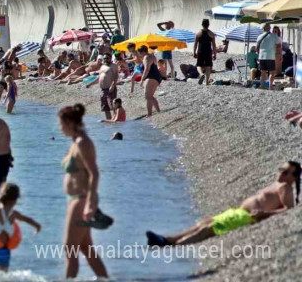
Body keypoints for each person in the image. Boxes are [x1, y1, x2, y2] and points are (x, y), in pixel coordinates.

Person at [147, 161, 300, 247]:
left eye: (286, 172)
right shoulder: (277, 184)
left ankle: (175, 246)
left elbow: (289, 208)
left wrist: (264, 214)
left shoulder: (286, 188)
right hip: (238, 213)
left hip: (246, 217)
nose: (281, 173)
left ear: (293, 177)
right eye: (281, 169)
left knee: (209, 229)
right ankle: (168, 240)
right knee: (203, 222)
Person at [58, 104, 109, 279]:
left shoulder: (83, 142)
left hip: (82, 199)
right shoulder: (75, 142)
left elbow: (94, 173)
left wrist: (90, 203)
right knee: (86, 248)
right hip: (75, 199)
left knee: (69, 249)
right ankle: (105, 279)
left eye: (61, 123)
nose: (60, 127)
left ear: (70, 123)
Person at [87, 54, 118, 121]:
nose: (105, 59)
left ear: (110, 58)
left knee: (113, 106)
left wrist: (113, 86)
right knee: (105, 107)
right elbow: (99, 78)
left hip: (110, 89)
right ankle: (109, 120)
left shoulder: (113, 66)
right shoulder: (103, 66)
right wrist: (90, 84)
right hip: (103, 90)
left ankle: (116, 120)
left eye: (107, 58)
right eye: (104, 58)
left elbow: (116, 77)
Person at [138, 45, 163, 117]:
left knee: (147, 96)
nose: (139, 54)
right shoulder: (152, 56)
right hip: (156, 76)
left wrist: (142, 79)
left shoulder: (146, 57)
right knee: (150, 96)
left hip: (152, 76)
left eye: (139, 53)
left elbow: (147, 69)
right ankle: (158, 111)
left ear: (142, 52)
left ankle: (149, 114)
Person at [256, 24, 281, 90]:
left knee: (263, 72)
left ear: (263, 28)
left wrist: (259, 55)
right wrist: (279, 54)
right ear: (269, 28)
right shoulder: (274, 36)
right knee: (272, 72)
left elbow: (257, 48)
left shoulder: (259, 36)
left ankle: (262, 86)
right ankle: (270, 86)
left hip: (261, 56)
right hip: (270, 56)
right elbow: (279, 45)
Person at [194, 19, 217, 85]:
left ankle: (201, 74)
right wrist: (215, 54)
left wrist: (194, 52)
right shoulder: (211, 34)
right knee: (208, 66)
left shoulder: (198, 33)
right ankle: (207, 82)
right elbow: (214, 45)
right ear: (208, 25)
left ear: (202, 24)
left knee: (199, 65)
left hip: (200, 51)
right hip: (208, 51)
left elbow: (195, 44)